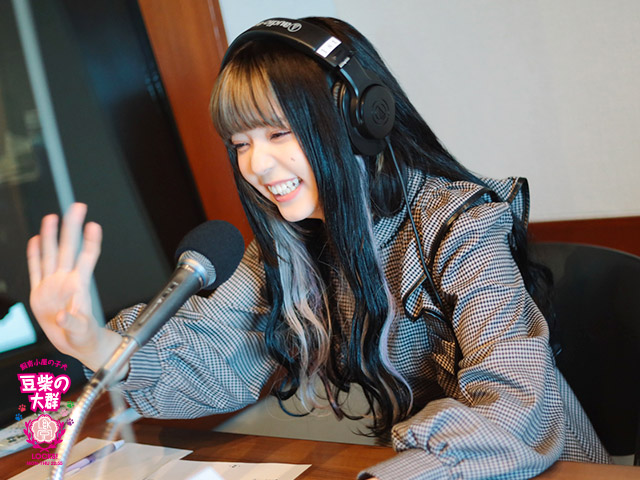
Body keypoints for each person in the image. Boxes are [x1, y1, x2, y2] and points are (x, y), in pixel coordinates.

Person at [27, 16, 609, 480]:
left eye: (280, 133)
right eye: (241, 144)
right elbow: (214, 356)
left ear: (360, 120)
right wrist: (90, 341)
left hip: (540, 468)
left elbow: (515, 405)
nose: (257, 165)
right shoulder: (290, 245)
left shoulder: (459, 224)